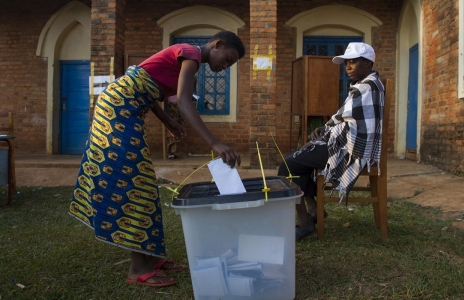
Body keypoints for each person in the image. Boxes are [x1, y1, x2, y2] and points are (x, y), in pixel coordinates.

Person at [69, 31, 245, 287]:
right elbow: (185, 102)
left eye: (230, 65)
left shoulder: (188, 59)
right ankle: (137, 268)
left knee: (145, 184)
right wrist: (214, 143)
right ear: (217, 44)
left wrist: (167, 120)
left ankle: (150, 257)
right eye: (227, 59)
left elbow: (145, 85)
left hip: (124, 108)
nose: (224, 66)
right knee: (135, 182)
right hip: (118, 111)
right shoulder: (192, 54)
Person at [278, 42, 385, 241]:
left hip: (352, 149)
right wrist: (325, 129)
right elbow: (344, 117)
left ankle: (305, 222)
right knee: (299, 159)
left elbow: (341, 118)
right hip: (350, 143)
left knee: (288, 164)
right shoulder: (368, 84)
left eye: (354, 62)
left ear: (369, 63)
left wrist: (326, 130)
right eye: (346, 63)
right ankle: (314, 210)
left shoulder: (366, 88)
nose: (349, 67)